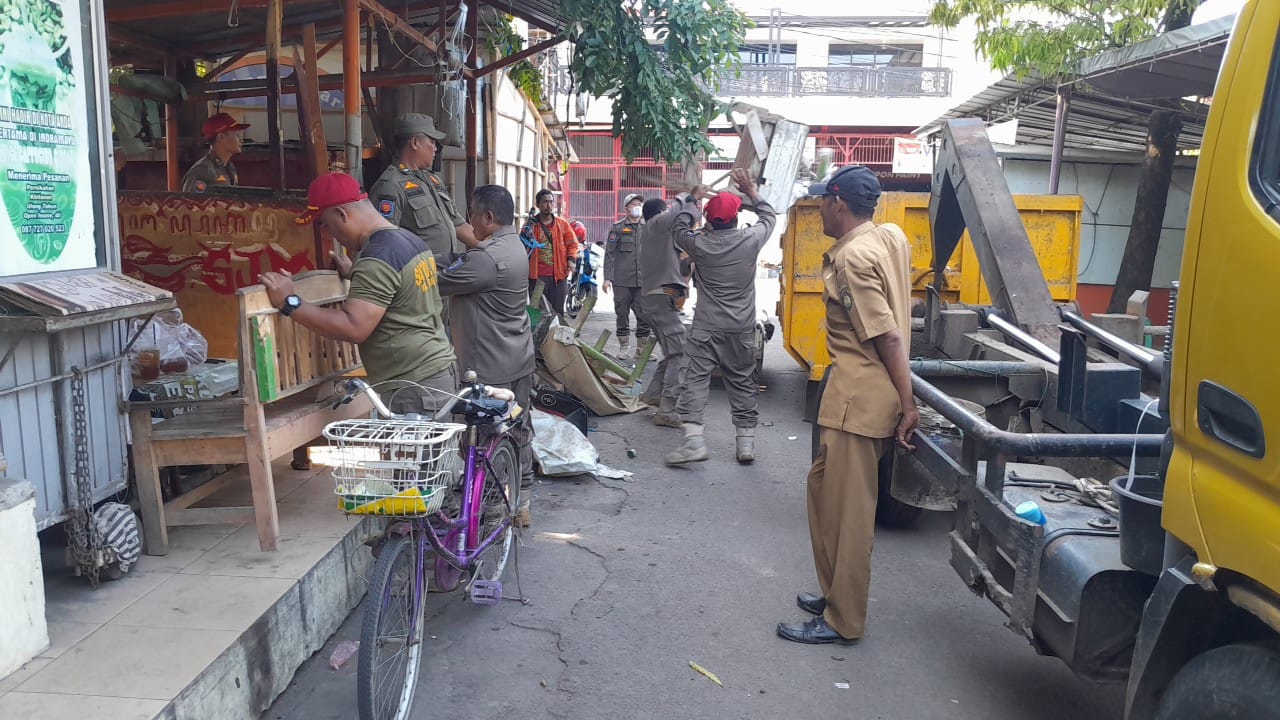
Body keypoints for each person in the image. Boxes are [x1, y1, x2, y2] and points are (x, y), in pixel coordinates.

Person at [775, 165, 919, 645]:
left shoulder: (853, 259)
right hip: (855, 395)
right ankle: (835, 592)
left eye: (821, 201)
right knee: (823, 493)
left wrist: (909, 403)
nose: (817, 209)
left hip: (859, 401)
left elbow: (888, 336)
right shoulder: (890, 236)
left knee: (849, 516)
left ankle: (843, 619)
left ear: (838, 203)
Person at [259, 173, 457, 415]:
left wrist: (290, 302)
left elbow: (354, 327)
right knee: (438, 453)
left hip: (413, 387)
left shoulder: (377, 257)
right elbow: (400, 293)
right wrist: (356, 275)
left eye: (328, 225)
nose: (332, 235)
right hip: (435, 372)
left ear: (342, 215)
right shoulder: (408, 241)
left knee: (417, 455)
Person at [436, 185, 537, 527]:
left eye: (472, 215)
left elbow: (433, 281)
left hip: (490, 367)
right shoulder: (514, 246)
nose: (469, 222)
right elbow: (462, 261)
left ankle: (491, 513)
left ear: (488, 218)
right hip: (519, 355)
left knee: (484, 439)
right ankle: (521, 501)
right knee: (519, 429)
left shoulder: (488, 258)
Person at [664, 169, 776, 466]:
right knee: (742, 381)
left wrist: (692, 202)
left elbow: (678, 229)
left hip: (706, 327)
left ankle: (693, 442)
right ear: (737, 218)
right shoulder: (751, 240)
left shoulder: (699, 244)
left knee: (695, 380)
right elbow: (769, 217)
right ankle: (746, 446)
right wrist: (751, 191)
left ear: (709, 221)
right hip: (740, 327)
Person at [636, 185, 709, 427]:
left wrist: (693, 205)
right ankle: (667, 408)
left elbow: (685, 220)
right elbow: (676, 213)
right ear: (658, 214)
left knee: (672, 350)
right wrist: (690, 197)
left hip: (656, 299)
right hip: (660, 298)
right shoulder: (655, 226)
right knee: (681, 352)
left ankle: (654, 393)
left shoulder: (655, 235)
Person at [369, 113, 474, 258]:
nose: (435, 148)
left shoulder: (432, 180)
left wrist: (492, 248)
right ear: (414, 142)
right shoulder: (390, 185)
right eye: (431, 141)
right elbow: (383, 241)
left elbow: (459, 225)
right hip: (418, 276)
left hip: (444, 273)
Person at [603, 193, 651, 360]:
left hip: (643, 280)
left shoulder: (648, 227)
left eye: (639, 203)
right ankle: (624, 347)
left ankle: (641, 350)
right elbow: (609, 254)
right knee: (621, 313)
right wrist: (607, 278)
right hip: (622, 281)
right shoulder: (617, 228)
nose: (637, 206)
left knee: (644, 314)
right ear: (626, 209)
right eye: (633, 204)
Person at [525, 189, 580, 317]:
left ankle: (555, 337)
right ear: (538, 204)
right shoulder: (530, 226)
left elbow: (573, 244)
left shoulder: (562, 225)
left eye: (551, 202)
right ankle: (539, 338)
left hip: (558, 278)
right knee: (537, 314)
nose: (549, 206)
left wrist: (571, 260)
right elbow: (522, 247)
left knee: (557, 314)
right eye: (545, 202)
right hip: (535, 278)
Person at [181, 113, 249, 193]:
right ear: (221, 137)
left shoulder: (229, 167)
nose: (241, 140)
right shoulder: (201, 171)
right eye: (237, 135)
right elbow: (191, 203)